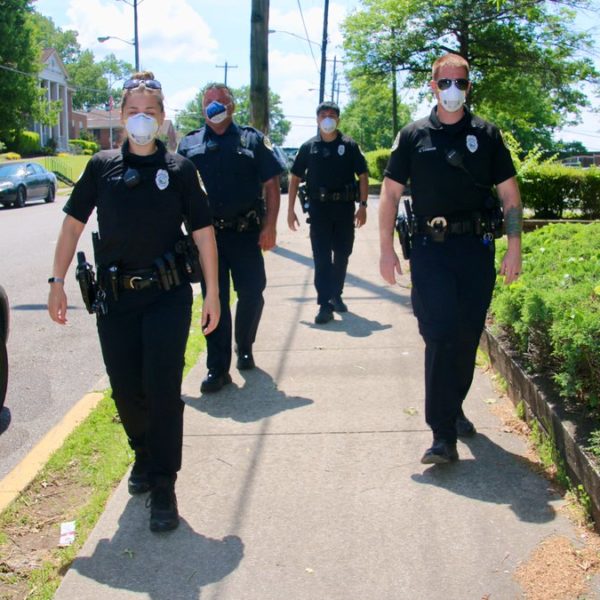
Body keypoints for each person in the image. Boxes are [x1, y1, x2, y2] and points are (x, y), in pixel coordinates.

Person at [48, 71, 220, 532]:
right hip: (115, 300)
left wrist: (213, 294)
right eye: (133, 112)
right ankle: (143, 453)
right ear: (121, 117)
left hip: (166, 297)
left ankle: (164, 481)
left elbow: (203, 235)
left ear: (163, 120)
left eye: (150, 113)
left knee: (162, 390)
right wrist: (56, 280)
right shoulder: (102, 167)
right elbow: (71, 225)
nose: (141, 120)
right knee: (126, 389)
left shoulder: (181, 171)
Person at [378, 53, 522, 464]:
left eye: (460, 82)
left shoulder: (488, 135)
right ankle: (442, 435)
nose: (452, 90)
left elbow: (509, 195)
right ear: (433, 86)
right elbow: (389, 195)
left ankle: (452, 405)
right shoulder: (413, 136)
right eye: (445, 83)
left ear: (469, 87)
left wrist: (514, 247)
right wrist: (386, 249)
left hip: (475, 251)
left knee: (464, 336)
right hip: (430, 252)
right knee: (439, 334)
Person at [177, 83, 283, 393]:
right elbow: (176, 192)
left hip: (246, 234)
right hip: (207, 238)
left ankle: (244, 344)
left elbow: (272, 184)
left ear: (232, 106)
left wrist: (270, 226)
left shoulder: (252, 140)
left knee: (253, 292)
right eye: (208, 102)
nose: (214, 107)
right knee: (216, 298)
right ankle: (217, 368)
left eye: (220, 102)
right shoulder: (189, 145)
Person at [287, 101, 369, 324]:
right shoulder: (308, 147)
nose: (328, 119)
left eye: (332, 115)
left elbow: (363, 175)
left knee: (342, 254)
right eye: (323, 115)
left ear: (338, 119)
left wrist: (363, 206)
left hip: (344, 210)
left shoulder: (349, 146)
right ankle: (324, 304)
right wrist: (290, 211)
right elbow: (294, 178)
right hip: (319, 210)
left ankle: (336, 294)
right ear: (317, 120)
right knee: (322, 257)